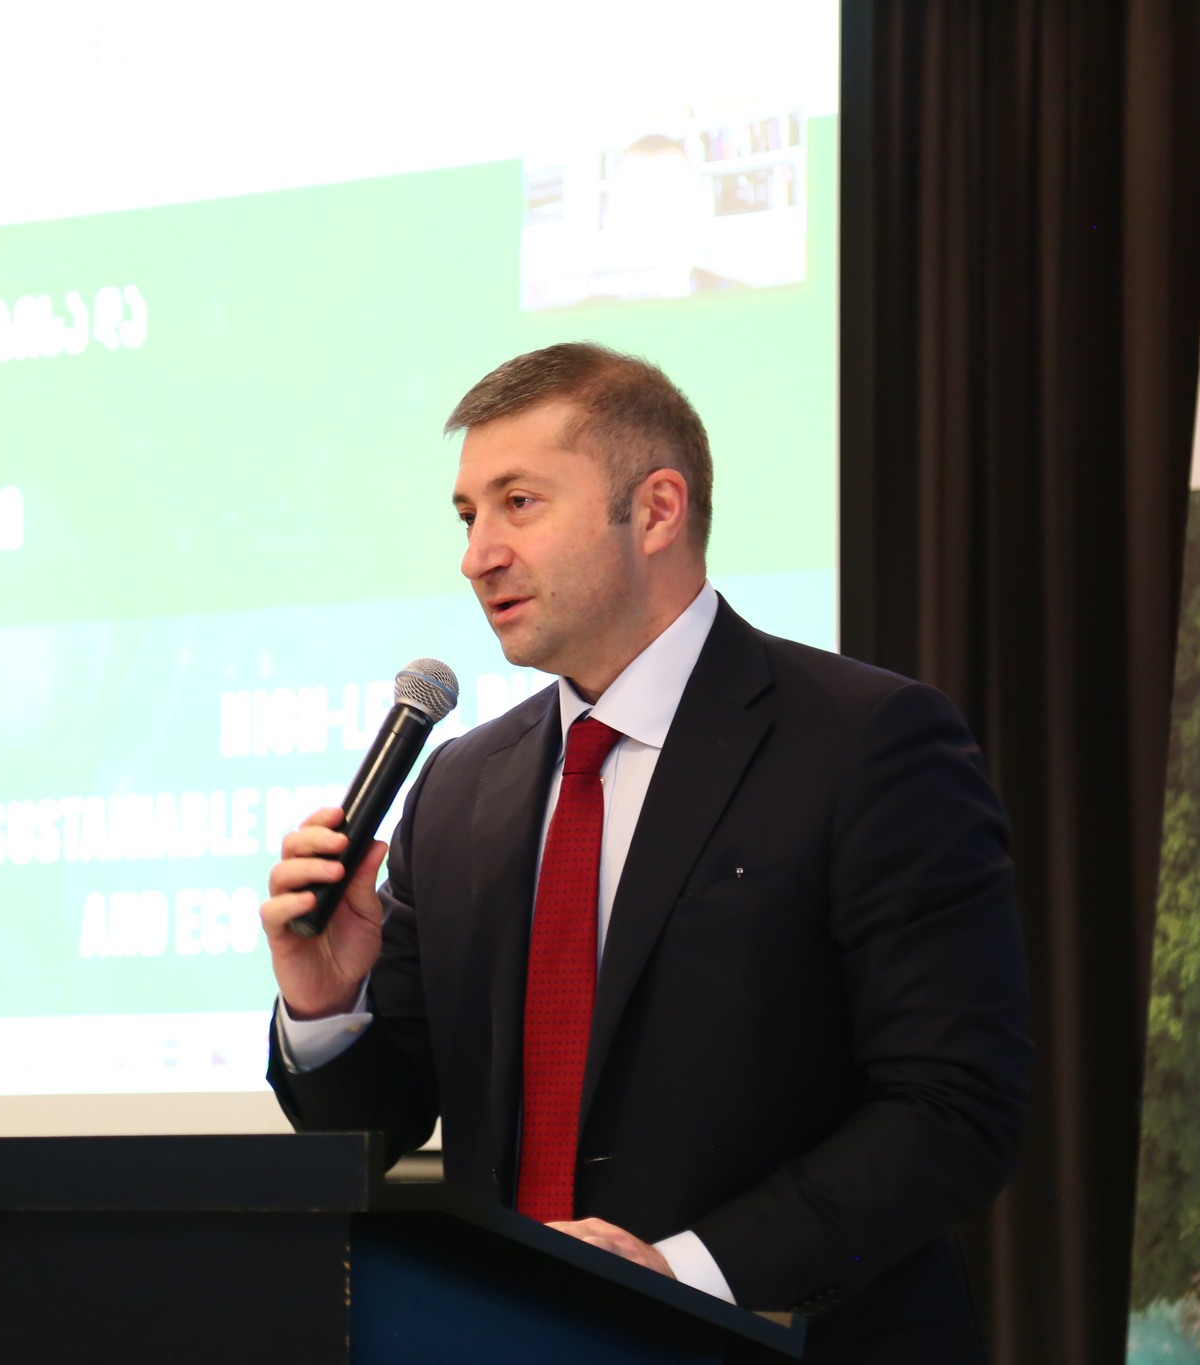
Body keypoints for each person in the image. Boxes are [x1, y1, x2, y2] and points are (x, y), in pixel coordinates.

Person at [260, 343, 1031, 1363]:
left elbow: (953, 1108)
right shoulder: (458, 787)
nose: (477, 555)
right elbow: (379, 1122)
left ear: (657, 510)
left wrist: (683, 1275)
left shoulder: (863, 742)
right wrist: (324, 1010)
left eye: (518, 503)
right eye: (466, 516)